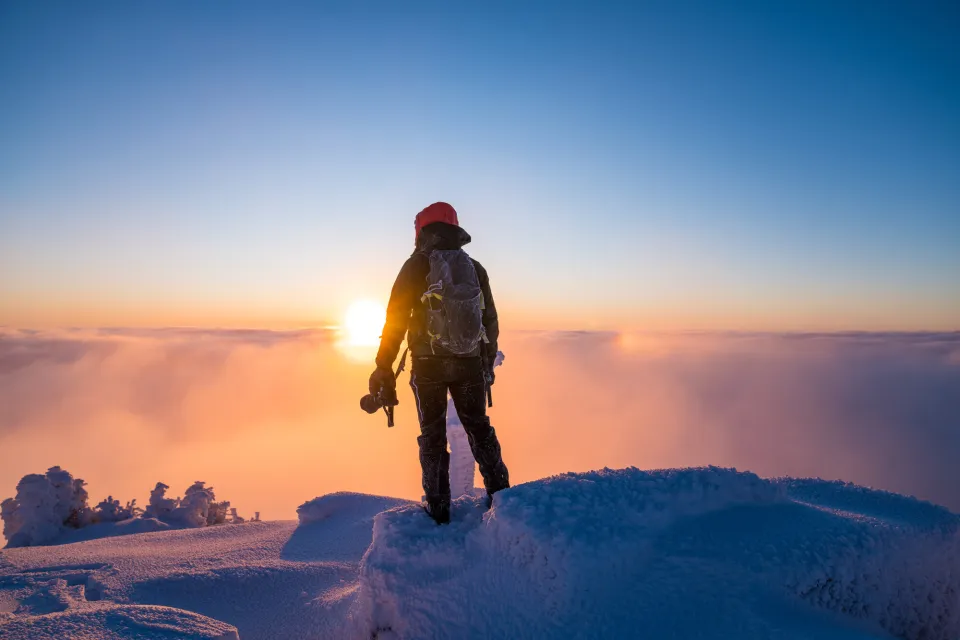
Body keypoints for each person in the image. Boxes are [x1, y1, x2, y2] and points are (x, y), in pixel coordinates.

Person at [370, 202, 510, 524]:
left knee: (432, 434)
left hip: (428, 364)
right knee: (478, 426)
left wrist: (384, 366)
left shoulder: (414, 266)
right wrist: (486, 362)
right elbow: (490, 320)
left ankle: (438, 510)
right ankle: (502, 497)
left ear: (421, 231)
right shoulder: (475, 268)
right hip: (469, 363)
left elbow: (395, 320)